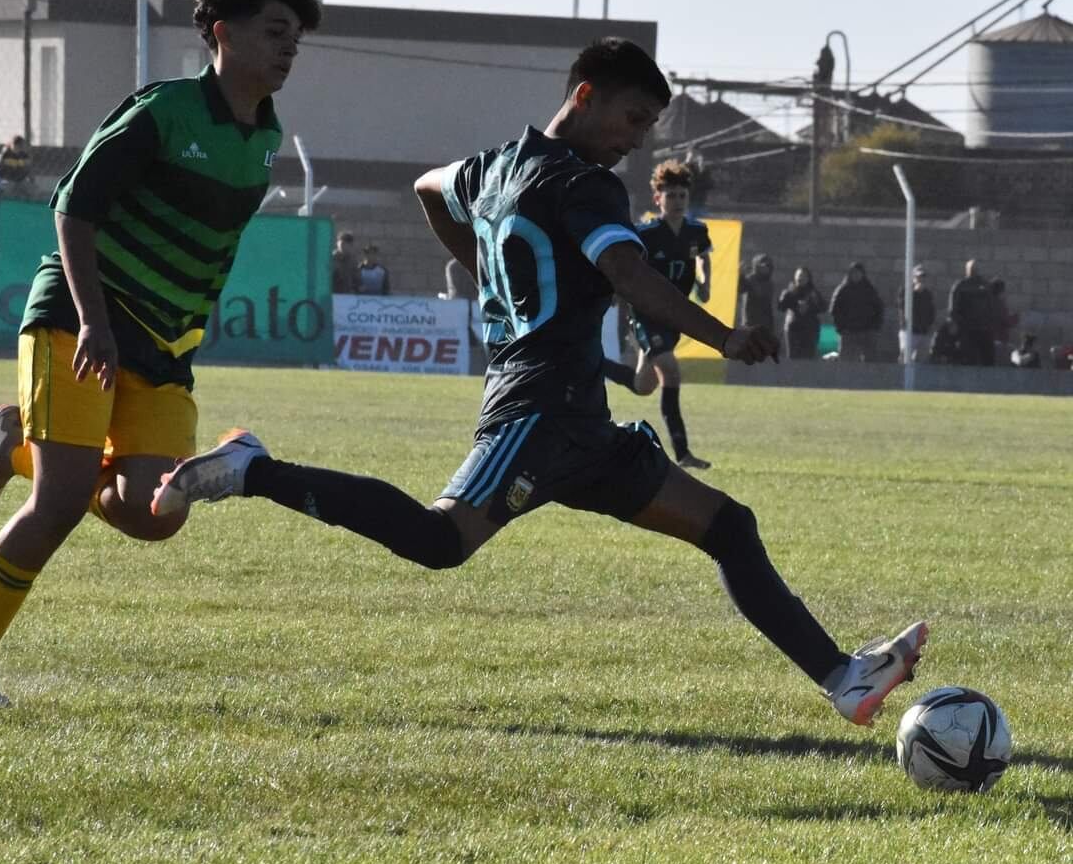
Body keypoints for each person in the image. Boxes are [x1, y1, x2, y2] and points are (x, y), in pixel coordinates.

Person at [152, 37, 927, 729]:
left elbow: (428, 186)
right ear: (583, 95)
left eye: (647, 128)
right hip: (536, 410)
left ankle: (844, 679)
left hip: (580, 420)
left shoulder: (495, 166)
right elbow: (629, 274)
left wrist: (489, 268)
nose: (634, 142)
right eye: (630, 119)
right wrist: (725, 336)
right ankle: (254, 469)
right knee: (438, 540)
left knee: (729, 524)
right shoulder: (582, 184)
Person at [0, 0, 321, 708]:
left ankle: (17, 441)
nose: (288, 49)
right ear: (221, 34)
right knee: (59, 505)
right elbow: (73, 210)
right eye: (275, 32)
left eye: (296, 38)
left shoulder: (266, 135)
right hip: (83, 322)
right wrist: (96, 322)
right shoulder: (164, 111)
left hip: (166, 349)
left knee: (154, 514)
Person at [602, 159, 713, 470]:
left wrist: (705, 285)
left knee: (643, 385)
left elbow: (703, 259)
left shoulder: (696, 230)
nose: (677, 201)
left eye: (682, 196)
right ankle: (683, 452)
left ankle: (593, 365)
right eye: (671, 196)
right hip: (647, 311)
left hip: (674, 315)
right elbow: (625, 264)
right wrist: (614, 292)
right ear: (658, 199)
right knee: (670, 371)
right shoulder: (647, 233)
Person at [830, 261, 883, 362]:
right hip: (848, 332)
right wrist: (840, 328)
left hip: (866, 332)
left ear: (863, 274)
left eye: (858, 273)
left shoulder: (870, 290)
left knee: (869, 361)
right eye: (853, 273)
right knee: (846, 361)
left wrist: (875, 326)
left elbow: (879, 308)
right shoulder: (842, 290)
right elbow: (834, 310)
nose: (856, 275)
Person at [948, 259, 995, 366]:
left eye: (976, 268)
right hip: (967, 329)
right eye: (972, 268)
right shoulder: (960, 286)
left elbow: (991, 306)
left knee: (988, 359)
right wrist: (956, 323)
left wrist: (990, 323)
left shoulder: (985, 285)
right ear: (967, 270)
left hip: (984, 329)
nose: (974, 271)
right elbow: (952, 308)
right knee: (969, 359)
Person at [776, 266, 825, 360]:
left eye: (803, 276)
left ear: (808, 278)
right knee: (793, 359)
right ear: (795, 277)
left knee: (808, 358)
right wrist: (787, 295)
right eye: (799, 276)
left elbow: (823, 308)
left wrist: (814, 302)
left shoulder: (813, 292)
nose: (801, 278)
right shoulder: (790, 292)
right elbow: (781, 307)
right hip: (793, 329)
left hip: (810, 330)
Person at [896, 265, 936, 364]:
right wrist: (915, 293)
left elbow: (931, 311)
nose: (921, 279)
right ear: (913, 278)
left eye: (923, 277)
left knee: (922, 361)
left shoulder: (927, 294)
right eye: (918, 277)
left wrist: (929, 325)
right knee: (905, 360)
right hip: (909, 332)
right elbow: (902, 306)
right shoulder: (905, 291)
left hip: (923, 332)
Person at [738, 253, 775, 331]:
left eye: (767, 266)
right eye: (762, 266)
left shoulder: (769, 283)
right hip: (750, 322)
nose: (765, 268)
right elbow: (740, 289)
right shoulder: (750, 279)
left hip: (765, 323)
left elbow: (764, 299)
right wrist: (740, 276)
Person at [989, 278, 1018, 366]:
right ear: (1001, 291)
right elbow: (1006, 321)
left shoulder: (988, 303)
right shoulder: (999, 304)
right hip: (998, 343)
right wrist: (1016, 317)